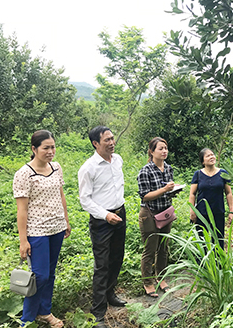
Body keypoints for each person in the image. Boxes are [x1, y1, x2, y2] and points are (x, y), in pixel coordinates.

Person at [13, 130, 71, 327]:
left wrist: (66, 221)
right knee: (39, 276)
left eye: (53, 147)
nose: (50, 151)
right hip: (36, 231)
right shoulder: (24, 174)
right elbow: (21, 210)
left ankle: (45, 312)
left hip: (56, 227)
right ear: (34, 149)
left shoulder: (56, 167)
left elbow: (61, 195)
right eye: (46, 147)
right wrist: (23, 240)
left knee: (51, 272)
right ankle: (27, 319)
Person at [78, 126, 126, 326]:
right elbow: (85, 200)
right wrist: (105, 215)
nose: (112, 142)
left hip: (120, 214)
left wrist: (116, 212)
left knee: (117, 258)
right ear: (95, 143)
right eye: (107, 140)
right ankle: (98, 312)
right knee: (102, 265)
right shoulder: (88, 168)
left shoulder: (118, 160)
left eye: (112, 138)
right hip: (101, 221)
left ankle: (110, 295)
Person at [137, 137, 179, 298]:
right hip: (149, 214)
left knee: (164, 248)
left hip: (165, 212)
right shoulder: (145, 171)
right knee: (150, 249)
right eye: (160, 149)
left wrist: (173, 191)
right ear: (152, 151)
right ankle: (148, 282)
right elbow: (145, 196)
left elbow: (167, 192)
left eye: (166, 148)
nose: (164, 151)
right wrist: (164, 189)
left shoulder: (168, 168)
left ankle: (161, 277)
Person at [189, 148, 233, 249]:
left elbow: (228, 193)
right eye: (208, 156)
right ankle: (202, 264)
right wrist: (192, 211)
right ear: (203, 161)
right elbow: (192, 194)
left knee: (218, 240)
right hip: (201, 213)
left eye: (212, 155)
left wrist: (231, 211)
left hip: (218, 212)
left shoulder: (223, 173)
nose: (212, 157)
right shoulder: (198, 174)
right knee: (201, 241)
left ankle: (218, 264)